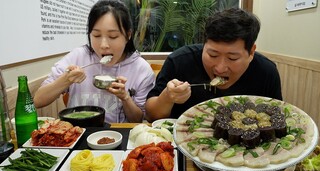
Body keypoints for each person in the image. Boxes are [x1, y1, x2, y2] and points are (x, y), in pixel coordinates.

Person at [145, 8, 282, 122]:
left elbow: (276, 118)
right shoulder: (179, 61)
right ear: (204, 44)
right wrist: (168, 98)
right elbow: (151, 116)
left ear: (251, 52)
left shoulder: (266, 72)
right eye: (213, 55)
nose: (220, 68)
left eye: (232, 58)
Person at [34, 0, 155, 123]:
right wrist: (65, 80)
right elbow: (38, 101)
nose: (103, 45)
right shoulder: (78, 57)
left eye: (113, 36)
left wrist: (125, 98)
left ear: (128, 35)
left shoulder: (141, 68)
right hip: (77, 135)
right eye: (96, 35)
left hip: (118, 136)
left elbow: (138, 120)